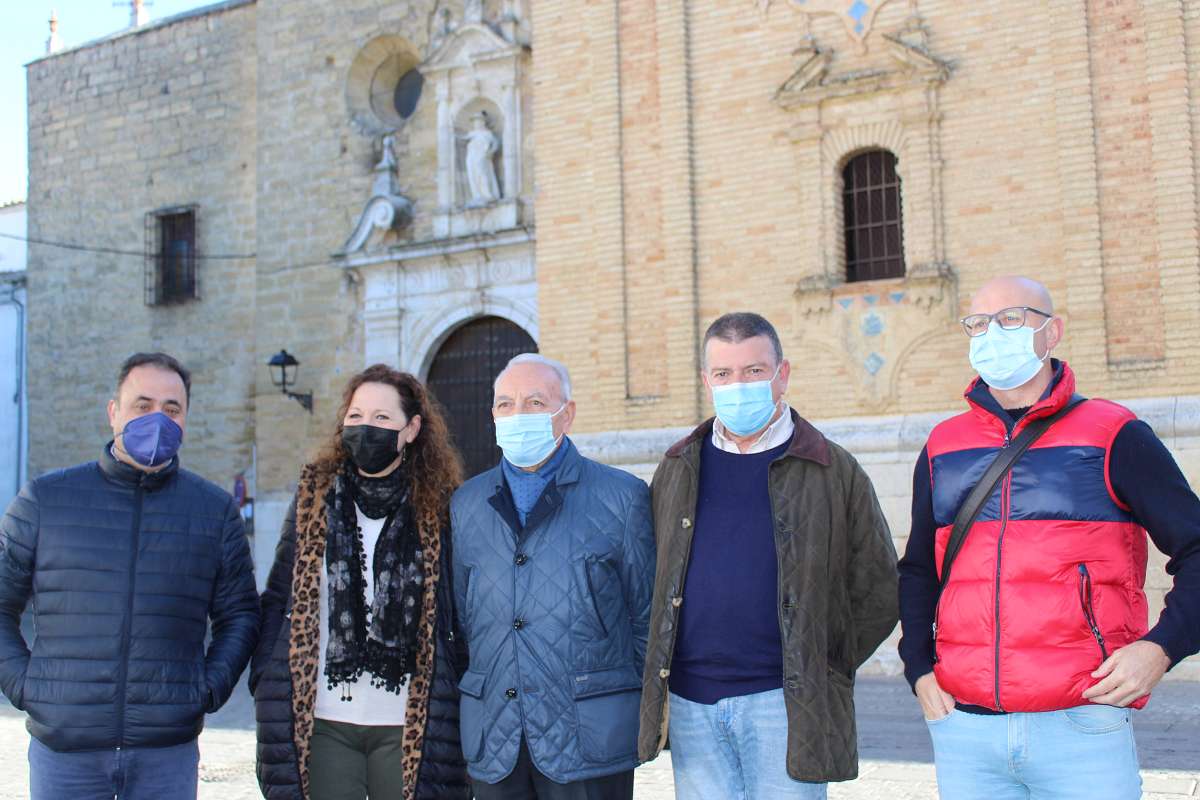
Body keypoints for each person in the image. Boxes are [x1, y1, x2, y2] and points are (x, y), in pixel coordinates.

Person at [898, 276, 1200, 799]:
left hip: (1081, 724)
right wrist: (919, 669)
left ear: (1052, 332)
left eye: (1010, 319)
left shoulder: (1114, 433)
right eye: (978, 324)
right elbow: (920, 569)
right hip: (966, 733)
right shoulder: (944, 445)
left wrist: (1161, 648)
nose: (992, 334)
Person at [637, 312, 900, 799]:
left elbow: (879, 586)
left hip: (785, 705)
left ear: (782, 374)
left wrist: (823, 662)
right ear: (706, 381)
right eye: (724, 374)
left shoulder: (831, 468)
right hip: (692, 708)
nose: (738, 385)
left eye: (754, 371)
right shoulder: (677, 467)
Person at [0, 352, 259, 800]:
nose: (157, 418)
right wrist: (27, 687)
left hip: (166, 755)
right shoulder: (46, 499)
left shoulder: (214, 511)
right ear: (113, 412)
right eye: (142, 405)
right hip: (65, 753)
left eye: (172, 409)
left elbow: (240, 614)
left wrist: (207, 689)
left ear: (186, 420)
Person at [251, 364, 470, 800]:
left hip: (410, 720)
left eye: (381, 418)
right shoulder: (314, 495)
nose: (365, 428)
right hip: (326, 721)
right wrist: (266, 677)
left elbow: (459, 609)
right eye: (356, 417)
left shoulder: (442, 506)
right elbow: (279, 595)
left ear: (411, 429)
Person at [451, 353, 655, 799]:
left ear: (568, 413)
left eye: (535, 402)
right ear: (492, 415)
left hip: (589, 738)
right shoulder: (465, 504)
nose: (518, 414)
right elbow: (463, 618)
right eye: (505, 404)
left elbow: (646, 620)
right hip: (495, 737)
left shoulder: (623, 497)